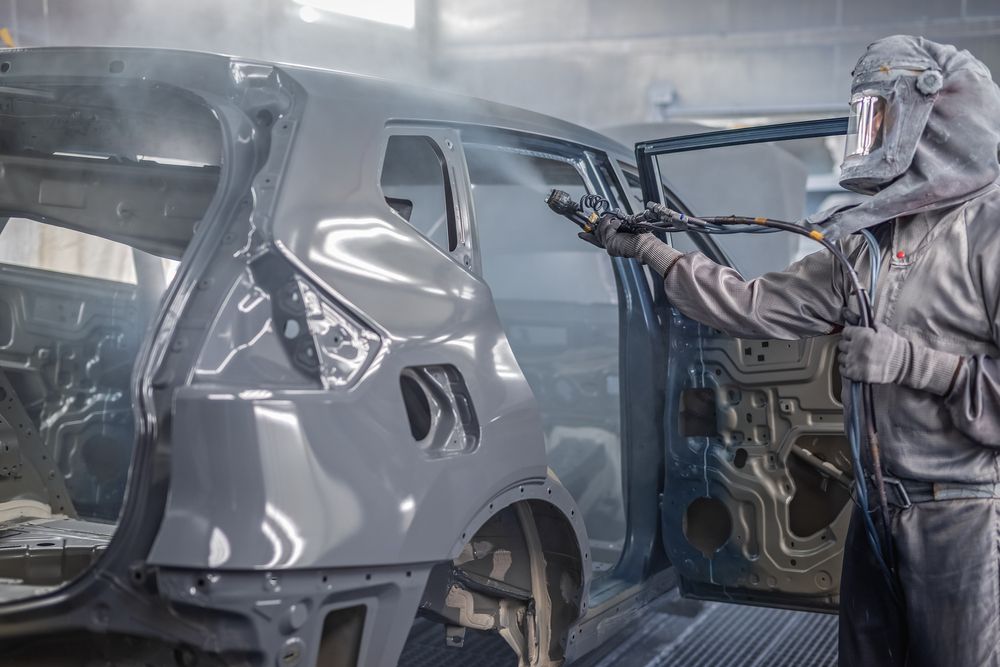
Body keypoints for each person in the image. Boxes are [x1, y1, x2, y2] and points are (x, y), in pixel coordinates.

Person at [584, 35, 1000, 666]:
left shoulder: (989, 232)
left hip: (961, 516)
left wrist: (916, 365)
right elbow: (755, 305)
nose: (870, 136)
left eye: (879, 118)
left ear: (932, 117)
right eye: (865, 118)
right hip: (876, 506)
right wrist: (654, 253)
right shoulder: (865, 242)